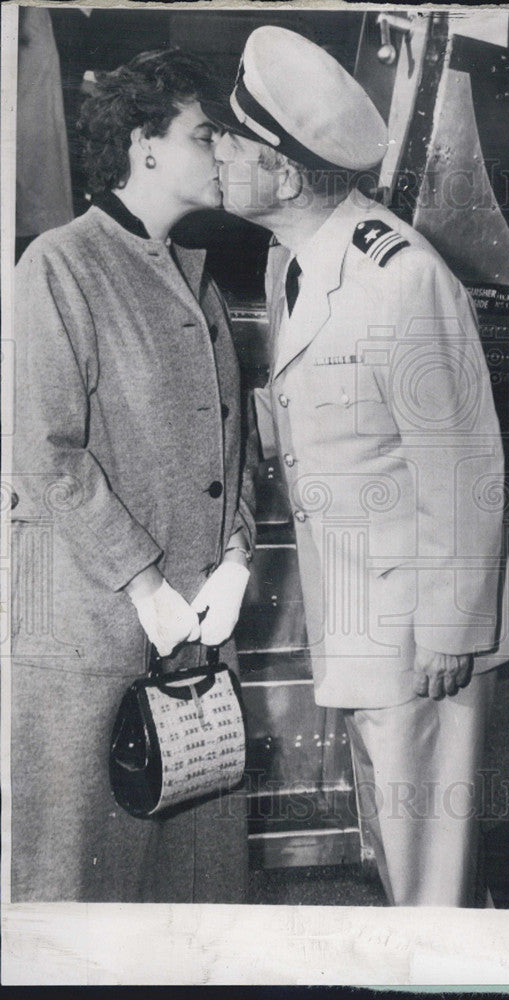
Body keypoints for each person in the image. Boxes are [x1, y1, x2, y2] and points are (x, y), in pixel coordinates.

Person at [207, 26, 509, 907]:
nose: (216, 154)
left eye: (231, 144)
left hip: (419, 627)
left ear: (284, 176)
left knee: (427, 862)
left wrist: (447, 628)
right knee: (394, 848)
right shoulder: (300, 256)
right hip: (363, 610)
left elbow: (466, 461)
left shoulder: (398, 278)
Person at [11, 49, 255, 902]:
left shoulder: (196, 274)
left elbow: (237, 439)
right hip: (94, 634)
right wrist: (143, 580)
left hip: (191, 638)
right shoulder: (59, 264)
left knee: (193, 892)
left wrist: (238, 554)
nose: (226, 153)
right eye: (206, 135)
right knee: (83, 882)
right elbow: (43, 450)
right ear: (143, 144)